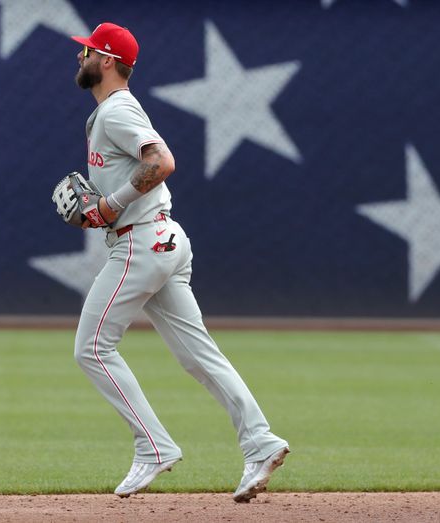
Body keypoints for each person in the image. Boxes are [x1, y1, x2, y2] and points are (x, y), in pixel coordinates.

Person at [68, 22, 290, 502]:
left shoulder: (117, 110)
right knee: (199, 355)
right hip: (165, 239)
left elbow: (162, 162)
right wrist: (103, 208)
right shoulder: (114, 110)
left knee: (91, 349)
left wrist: (109, 206)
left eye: (86, 50)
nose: (79, 57)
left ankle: (153, 446)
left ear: (106, 60)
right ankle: (261, 441)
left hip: (141, 244)